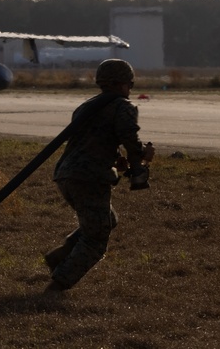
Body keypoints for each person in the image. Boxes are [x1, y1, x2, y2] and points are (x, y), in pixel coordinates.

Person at [43, 58, 154, 292]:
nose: (130, 89)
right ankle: (57, 285)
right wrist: (142, 155)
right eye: (130, 84)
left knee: (106, 221)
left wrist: (115, 159)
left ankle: (60, 254)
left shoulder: (87, 106)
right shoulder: (122, 106)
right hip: (89, 178)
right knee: (95, 239)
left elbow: (93, 140)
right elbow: (129, 138)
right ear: (122, 83)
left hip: (66, 175)